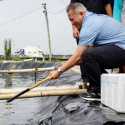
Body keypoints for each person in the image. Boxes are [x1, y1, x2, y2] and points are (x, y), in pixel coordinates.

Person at [48, 3, 125, 96]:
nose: (72, 23)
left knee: (87, 54)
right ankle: (105, 85)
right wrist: (64, 66)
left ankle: (98, 91)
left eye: (72, 19)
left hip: (121, 50)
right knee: (86, 57)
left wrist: (59, 71)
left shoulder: (89, 26)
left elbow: (78, 56)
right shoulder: (93, 18)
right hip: (118, 49)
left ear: (81, 14)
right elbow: (80, 60)